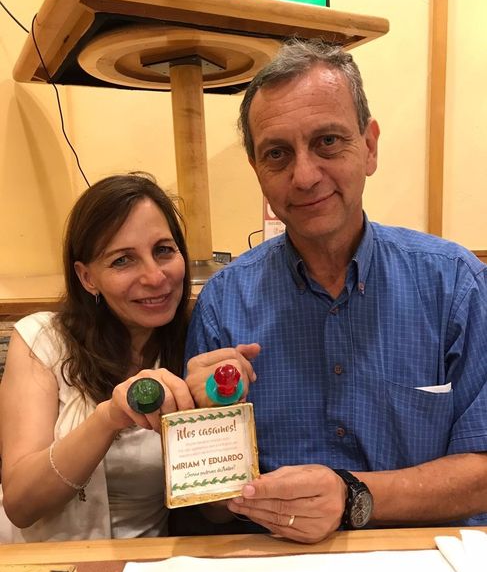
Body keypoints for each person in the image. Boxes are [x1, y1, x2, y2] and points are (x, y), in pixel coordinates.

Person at [185, 39, 487, 544]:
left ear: (369, 146)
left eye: (327, 141)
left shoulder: (455, 284)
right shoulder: (222, 304)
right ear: (257, 169)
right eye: (277, 154)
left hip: (419, 560)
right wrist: (204, 438)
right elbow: (211, 511)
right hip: (269, 563)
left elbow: (481, 473)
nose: (304, 176)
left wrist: (352, 497)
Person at [0, 173, 229, 543]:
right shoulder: (42, 339)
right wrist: (109, 417)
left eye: (163, 250)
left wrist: (222, 410)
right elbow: (21, 505)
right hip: (46, 564)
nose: (155, 276)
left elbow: (216, 511)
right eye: (123, 260)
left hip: (145, 568)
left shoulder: (197, 344)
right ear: (87, 277)